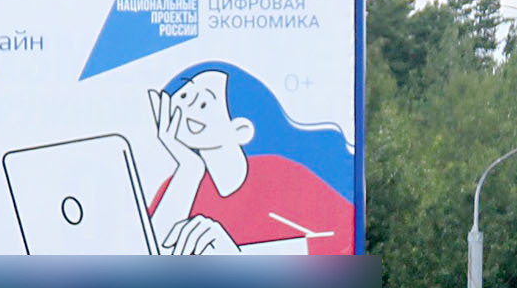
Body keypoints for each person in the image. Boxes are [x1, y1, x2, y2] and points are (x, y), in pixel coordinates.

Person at [142, 65, 359, 257]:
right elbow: (146, 253)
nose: (186, 111)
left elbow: (343, 238)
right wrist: (189, 169)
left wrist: (239, 257)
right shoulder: (180, 184)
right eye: (182, 98)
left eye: (203, 104)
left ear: (240, 130)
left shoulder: (281, 177)